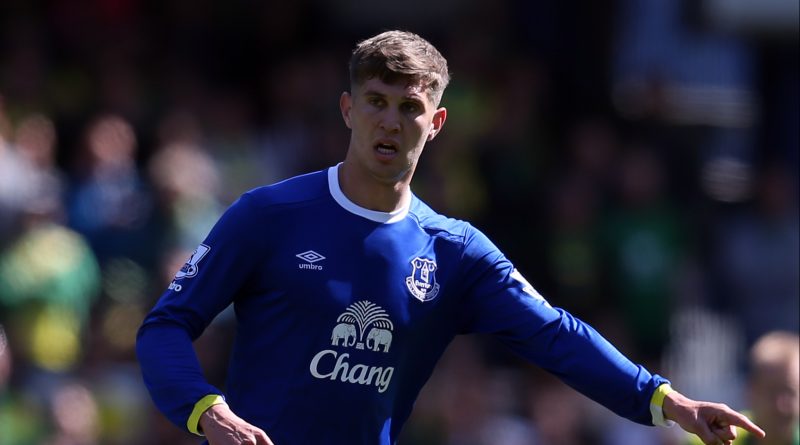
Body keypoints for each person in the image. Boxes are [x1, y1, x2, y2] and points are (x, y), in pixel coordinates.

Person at [137, 30, 766, 445]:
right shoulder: (269, 214)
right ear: (348, 110)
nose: (390, 121)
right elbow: (166, 325)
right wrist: (205, 410)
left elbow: (554, 335)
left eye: (408, 107)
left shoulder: (454, 250)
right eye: (375, 101)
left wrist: (666, 400)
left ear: (435, 123)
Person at [686, 331, 799, 445]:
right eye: (771, 391)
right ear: (750, 391)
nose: (780, 406)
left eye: (789, 392)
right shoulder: (709, 439)